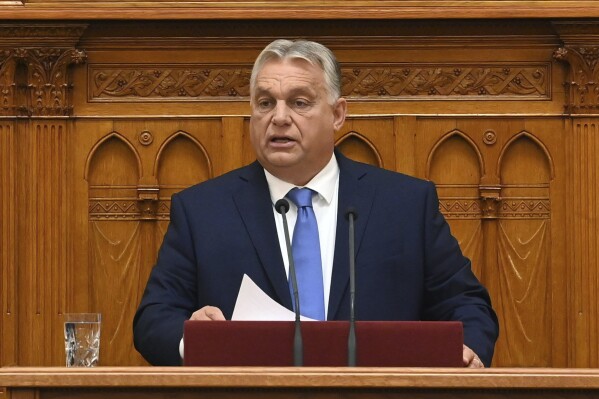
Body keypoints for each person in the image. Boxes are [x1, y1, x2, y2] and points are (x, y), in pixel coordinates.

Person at [133, 39, 499, 367]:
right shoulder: (203, 210)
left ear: (337, 114)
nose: (278, 118)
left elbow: (466, 306)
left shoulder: (404, 205)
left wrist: (469, 351)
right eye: (265, 103)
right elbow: (154, 319)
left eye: (299, 103)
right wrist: (196, 341)